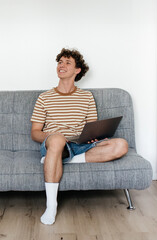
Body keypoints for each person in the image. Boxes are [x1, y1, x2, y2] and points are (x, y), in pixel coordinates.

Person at [30, 48, 128, 225]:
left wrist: (94, 137)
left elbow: (92, 127)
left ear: (77, 70)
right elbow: (35, 132)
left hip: (80, 145)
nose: (62, 65)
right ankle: (51, 206)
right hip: (54, 142)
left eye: (68, 62)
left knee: (121, 145)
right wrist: (54, 135)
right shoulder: (44, 97)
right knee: (58, 139)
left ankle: (59, 160)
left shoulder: (87, 97)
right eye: (60, 62)